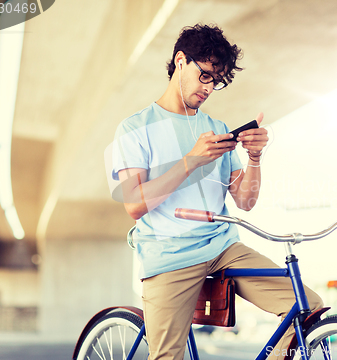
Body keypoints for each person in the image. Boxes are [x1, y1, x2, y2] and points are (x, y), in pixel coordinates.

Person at [111, 23, 323, 360]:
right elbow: (134, 204)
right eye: (206, 75)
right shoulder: (135, 129)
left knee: (307, 306)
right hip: (170, 254)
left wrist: (254, 157)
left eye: (217, 81)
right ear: (180, 61)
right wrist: (192, 160)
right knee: (167, 356)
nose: (209, 87)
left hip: (222, 247)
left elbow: (245, 200)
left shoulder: (217, 129)